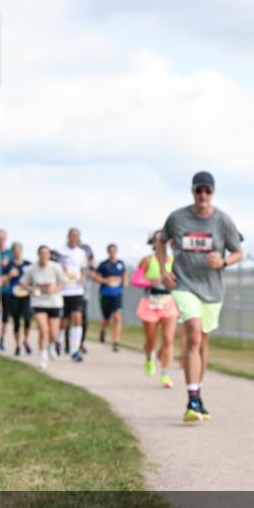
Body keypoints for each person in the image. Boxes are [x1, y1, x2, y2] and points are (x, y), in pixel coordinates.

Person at [159, 171, 244, 421]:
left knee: (202, 341)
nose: (203, 195)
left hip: (212, 288)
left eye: (207, 190)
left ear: (213, 192)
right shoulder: (177, 218)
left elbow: (238, 251)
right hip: (184, 284)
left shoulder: (223, 221)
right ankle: (192, 399)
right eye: (199, 190)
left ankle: (198, 392)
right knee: (193, 334)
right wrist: (165, 269)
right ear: (192, 192)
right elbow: (161, 241)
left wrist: (224, 261)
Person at [136, 231, 178, 387]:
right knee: (151, 340)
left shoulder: (174, 261)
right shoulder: (147, 261)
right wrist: (150, 282)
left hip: (168, 302)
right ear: (152, 242)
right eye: (158, 240)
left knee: (168, 339)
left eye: (165, 239)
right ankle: (149, 356)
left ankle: (165, 374)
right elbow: (136, 279)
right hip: (150, 302)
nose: (161, 242)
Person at [24, 245, 69, 369]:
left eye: (46, 253)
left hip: (54, 302)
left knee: (53, 334)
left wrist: (54, 289)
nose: (44, 256)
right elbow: (23, 283)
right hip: (39, 302)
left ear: (49, 255)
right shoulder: (32, 269)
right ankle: (43, 358)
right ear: (38, 255)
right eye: (42, 253)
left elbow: (64, 282)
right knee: (44, 330)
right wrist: (32, 289)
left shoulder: (55, 267)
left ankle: (51, 345)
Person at [54, 228, 89, 363]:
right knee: (63, 321)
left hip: (76, 290)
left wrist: (83, 278)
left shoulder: (81, 253)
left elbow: (84, 269)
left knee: (77, 318)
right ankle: (58, 341)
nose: (75, 238)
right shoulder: (59, 251)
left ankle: (75, 350)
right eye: (73, 236)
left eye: (77, 236)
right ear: (68, 236)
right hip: (62, 290)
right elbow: (53, 267)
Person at [93, 243, 127, 352]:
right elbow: (96, 276)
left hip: (117, 294)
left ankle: (115, 342)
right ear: (108, 252)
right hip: (106, 294)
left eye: (114, 250)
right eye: (110, 251)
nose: (112, 253)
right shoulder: (103, 264)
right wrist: (106, 281)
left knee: (117, 317)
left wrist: (125, 282)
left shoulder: (121, 264)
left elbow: (124, 275)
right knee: (106, 318)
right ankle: (103, 330)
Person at [2, 242, 34, 356]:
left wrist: (31, 287)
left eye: (19, 250)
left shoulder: (29, 265)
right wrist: (10, 275)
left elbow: (34, 279)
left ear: (22, 251)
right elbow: (2, 281)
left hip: (25, 296)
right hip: (13, 295)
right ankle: (17, 346)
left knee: (27, 319)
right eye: (15, 250)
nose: (17, 252)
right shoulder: (8, 265)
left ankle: (25, 340)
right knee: (16, 322)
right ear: (12, 252)